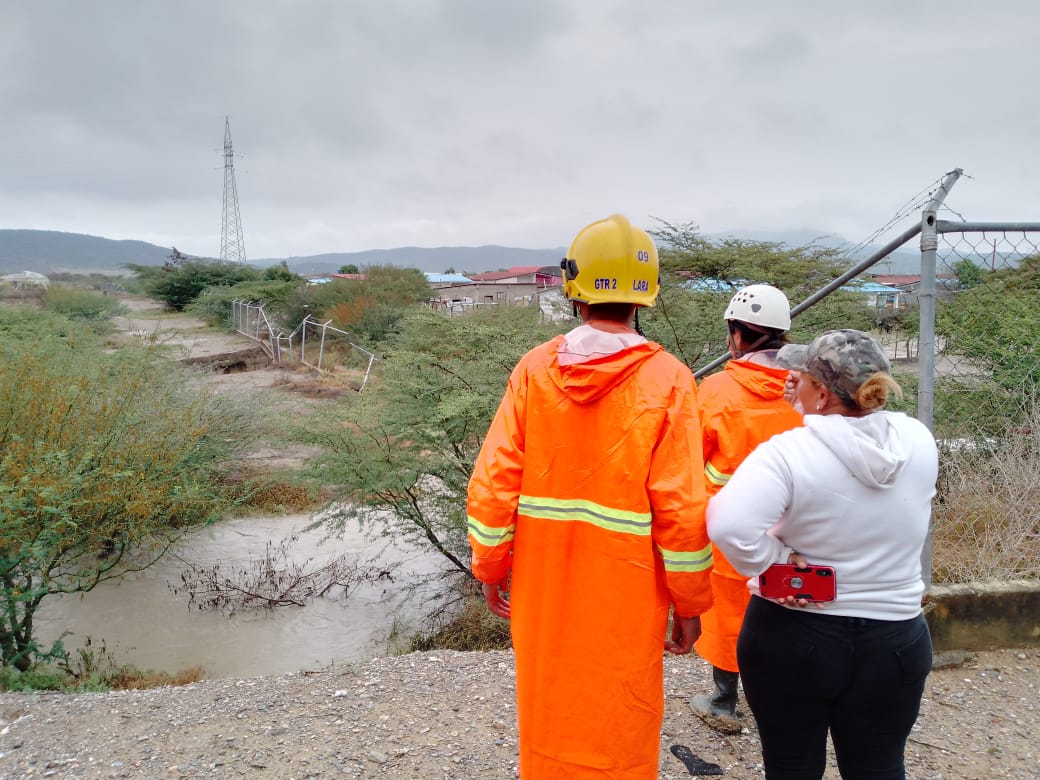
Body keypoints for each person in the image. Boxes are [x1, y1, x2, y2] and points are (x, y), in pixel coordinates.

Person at [467, 214, 714, 779]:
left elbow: (494, 483)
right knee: (620, 711)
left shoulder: (534, 369)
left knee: (550, 704)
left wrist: (490, 567)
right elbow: (682, 508)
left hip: (544, 584)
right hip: (630, 591)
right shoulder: (671, 379)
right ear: (644, 296)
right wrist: (691, 603)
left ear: (574, 288)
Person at [707, 329, 938, 780]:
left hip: (795, 635)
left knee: (792, 765)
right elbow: (848, 443)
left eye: (804, 376)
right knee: (879, 767)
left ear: (823, 391)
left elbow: (728, 525)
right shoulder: (916, 438)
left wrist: (776, 562)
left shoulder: (787, 453)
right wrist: (807, 409)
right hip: (894, 640)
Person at [691, 284, 803, 732]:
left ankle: (723, 700)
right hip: (795, 526)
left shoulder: (716, 389)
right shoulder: (807, 387)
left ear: (737, 335)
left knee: (730, 608)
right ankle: (784, 702)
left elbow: (690, 457)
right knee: (792, 601)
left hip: (730, 526)